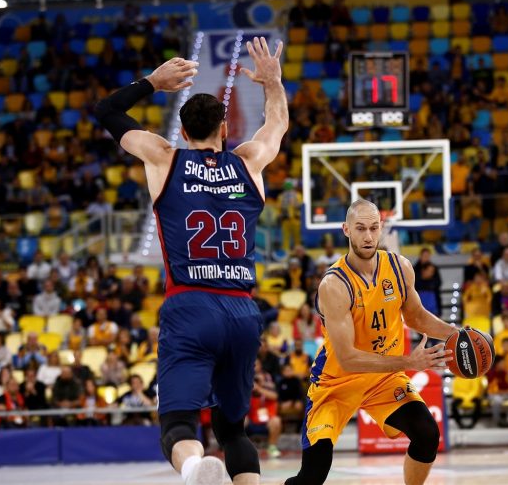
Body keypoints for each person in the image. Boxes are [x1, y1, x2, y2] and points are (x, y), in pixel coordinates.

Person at [93, 38, 287, 485]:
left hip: (191, 304)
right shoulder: (249, 162)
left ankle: (196, 470)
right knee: (233, 430)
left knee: (177, 425)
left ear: (181, 132)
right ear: (225, 129)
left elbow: (106, 110)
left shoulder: (164, 157)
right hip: (242, 310)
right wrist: (272, 83)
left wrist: (152, 82)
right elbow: (276, 124)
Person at [285, 199, 456, 485]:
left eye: (374, 228)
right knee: (313, 475)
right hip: (337, 384)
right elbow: (348, 359)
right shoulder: (334, 284)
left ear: (381, 228)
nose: (368, 236)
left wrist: (456, 333)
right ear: (346, 230)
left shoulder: (400, 267)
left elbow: (415, 316)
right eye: (360, 228)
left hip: (383, 380)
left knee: (427, 433)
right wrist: (409, 362)